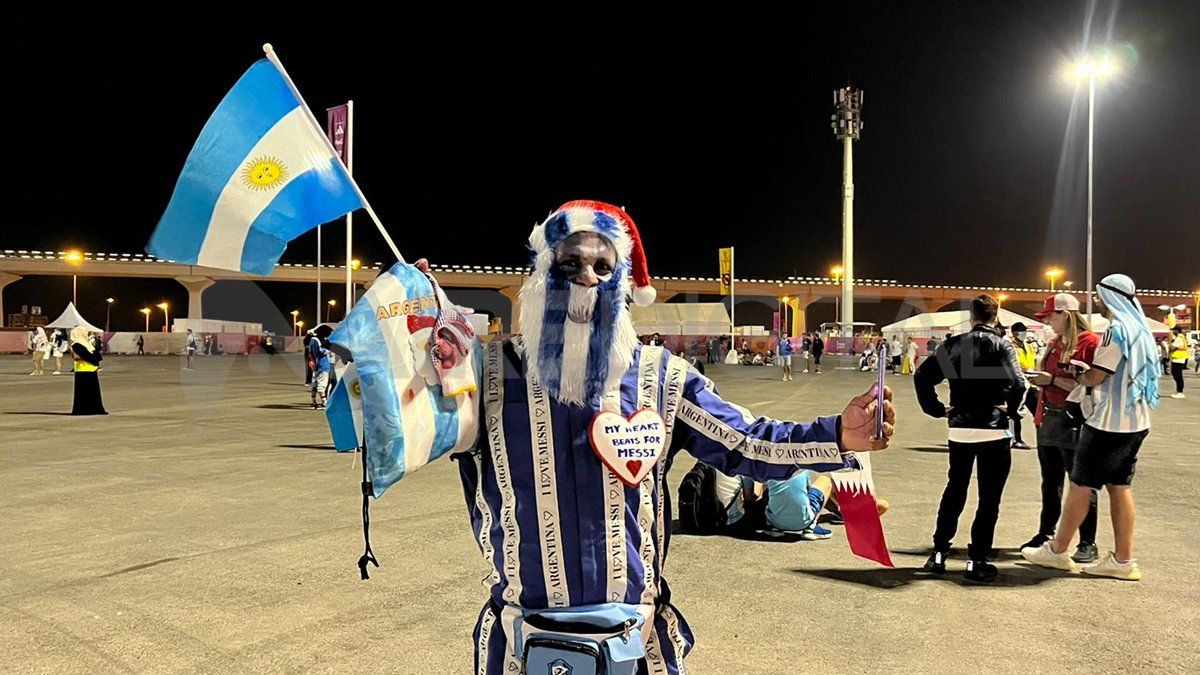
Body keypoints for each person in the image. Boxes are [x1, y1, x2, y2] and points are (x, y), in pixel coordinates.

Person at [373, 201, 894, 673]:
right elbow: (390, 431)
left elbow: (749, 443)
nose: (587, 279)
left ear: (622, 286)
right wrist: (404, 334)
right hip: (520, 645)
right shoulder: (482, 376)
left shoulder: (662, 379)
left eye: (604, 268)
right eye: (570, 263)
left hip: (637, 644)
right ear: (540, 274)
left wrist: (838, 436)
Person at [1023, 274, 1159, 581]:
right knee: (1119, 486)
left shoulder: (1117, 330)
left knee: (1080, 486)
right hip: (1137, 421)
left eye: (1100, 296)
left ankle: (1058, 551)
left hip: (1109, 422)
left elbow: (1098, 376)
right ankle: (1123, 559)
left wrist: (1081, 375)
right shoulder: (1142, 329)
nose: (1098, 301)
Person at [914, 294, 1025, 583]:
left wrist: (938, 409)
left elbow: (923, 376)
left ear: (972, 316)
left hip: (960, 428)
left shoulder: (953, 345)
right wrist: (1009, 410)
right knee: (989, 497)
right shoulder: (1003, 345)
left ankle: (939, 552)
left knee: (955, 489)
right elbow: (1019, 384)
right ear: (996, 316)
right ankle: (977, 560)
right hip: (993, 429)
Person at [1019, 294, 1100, 563]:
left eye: (1051, 316)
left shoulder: (1090, 343)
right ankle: (1046, 533)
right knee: (1050, 483)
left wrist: (1051, 379)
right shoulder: (1054, 343)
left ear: (1066, 314)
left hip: (1076, 422)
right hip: (1049, 419)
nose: (1048, 321)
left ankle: (1087, 542)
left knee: (1081, 484)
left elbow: (1092, 385)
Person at [677, 464, 889, 541]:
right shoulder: (798, 461)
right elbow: (752, 497)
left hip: (728, 519)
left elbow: (750, 495)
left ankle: (839, 511)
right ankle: (831, 515)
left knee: (778, 488)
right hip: (740, 521)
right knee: (827, 479)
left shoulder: (711, 460)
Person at [1008, 322, 1038, 450]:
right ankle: (1016, 439)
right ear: (1014, 333)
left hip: (1031, 384)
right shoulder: (1011, 347)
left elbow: (1034, 361)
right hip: (1018, 384)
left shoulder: (1029, 346)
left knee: (1038, 411)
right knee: (1015, 413)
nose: (1024, 334)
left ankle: (1043, 438)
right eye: (1022, 331)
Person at [69, 326, 106, 415]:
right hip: (82, 370)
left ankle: (95, 409)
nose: (86, 334)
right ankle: (83, 410)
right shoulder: (76, 344)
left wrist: (93, 358)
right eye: (85, 332)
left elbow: (96, 356)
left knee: (93, 392)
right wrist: (93, 358)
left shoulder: (87, 343)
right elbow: (82, 356)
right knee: (83, 392)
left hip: (91, 369)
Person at [1168, 328, 1189, 399]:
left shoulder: (1179, 338)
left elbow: (1172, 348)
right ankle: (1179, 391)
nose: (1173, 332)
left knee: (1178, 375)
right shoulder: (1181, 338)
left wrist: (1170, 343)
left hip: (1178, 359)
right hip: (1178, 358)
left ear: (1177, 331)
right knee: (1175, 374)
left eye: (1173, 330)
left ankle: (1180, 392)